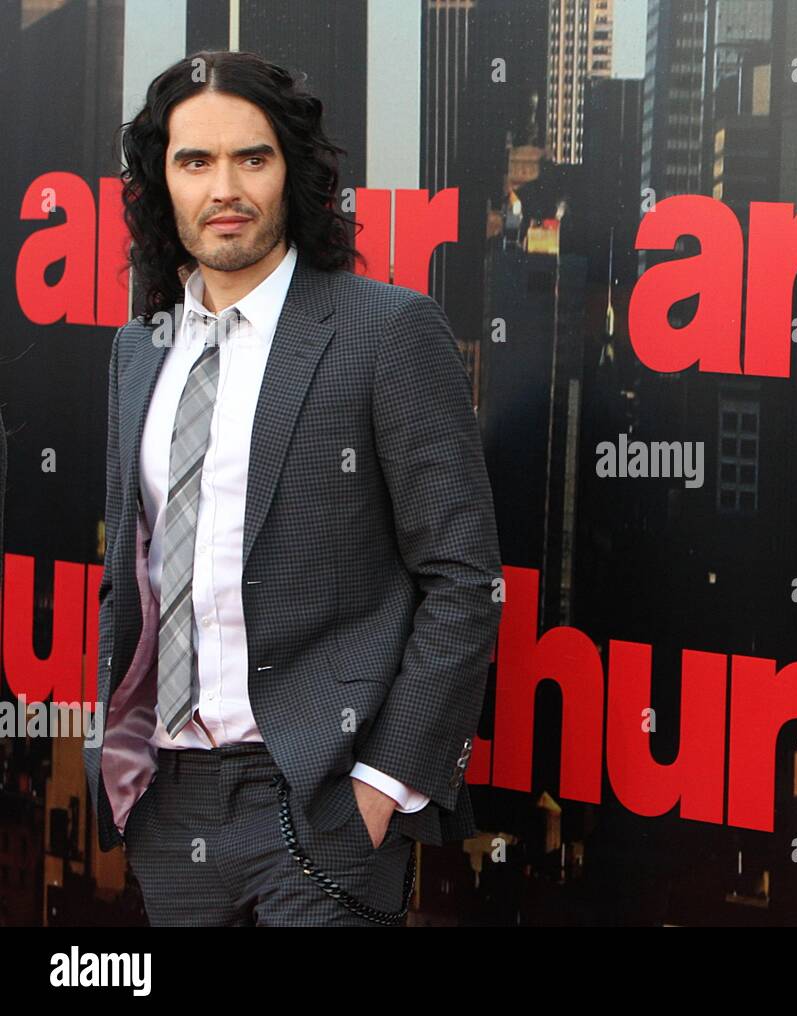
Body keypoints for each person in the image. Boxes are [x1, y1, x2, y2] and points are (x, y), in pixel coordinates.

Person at [85, 50, 502, 926]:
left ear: (293, 174)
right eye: (194, 161)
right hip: (172, 804)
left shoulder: (385, 332)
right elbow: (134, 573)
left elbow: (463, 579)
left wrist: (382, 786)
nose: (223, 186)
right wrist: (123, 769)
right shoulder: (140, 351)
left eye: (253, 157)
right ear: (161, 183)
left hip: (318, 801)